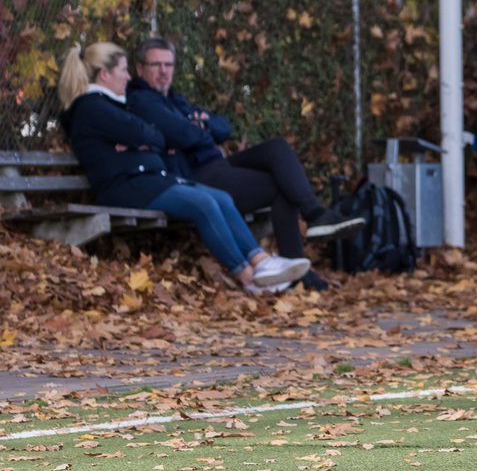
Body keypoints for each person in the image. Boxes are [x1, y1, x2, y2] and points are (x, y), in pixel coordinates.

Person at [58, 43, 311, 293]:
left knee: (220, 198)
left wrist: (141, 142)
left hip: (145, 180)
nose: (127, 76)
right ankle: (248, 277)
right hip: (125, 186)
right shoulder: (92, 107)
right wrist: (143, 141)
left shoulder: (110, 106)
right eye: (124, 70)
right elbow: (150, 135)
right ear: (105, 74)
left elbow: (154, 138)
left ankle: (261, 262)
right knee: (204, 204)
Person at [127, 38, 360, 291]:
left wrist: (201, 126)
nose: (164, 71)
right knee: (283, 186)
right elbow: (184, 135)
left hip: (217, 164)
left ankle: (316, 216)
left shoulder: (175, 100)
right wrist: (200, 128)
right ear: (140, 69)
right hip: (197, 177)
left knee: (277, 148)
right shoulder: (142, 100)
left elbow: (223, 126)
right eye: (156, 65)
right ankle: (300, 262)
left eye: (168, 65)